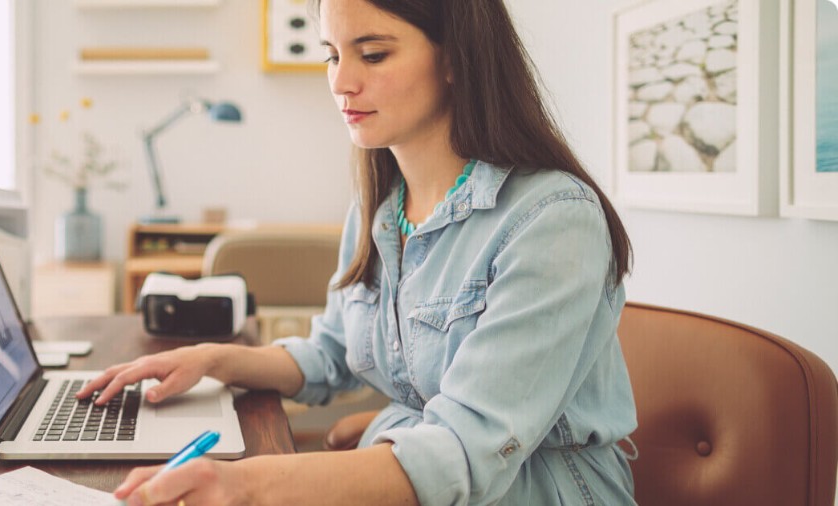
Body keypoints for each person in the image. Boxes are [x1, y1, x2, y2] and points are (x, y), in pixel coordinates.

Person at [76, 0, 638, 503]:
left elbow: (466, 450)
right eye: (331, 54)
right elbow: (334, 351)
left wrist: (244, 485)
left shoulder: (552, 220)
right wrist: (211, 360)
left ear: (454, 59)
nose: (341, 82)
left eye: (371, 54)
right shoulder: (380, 205)